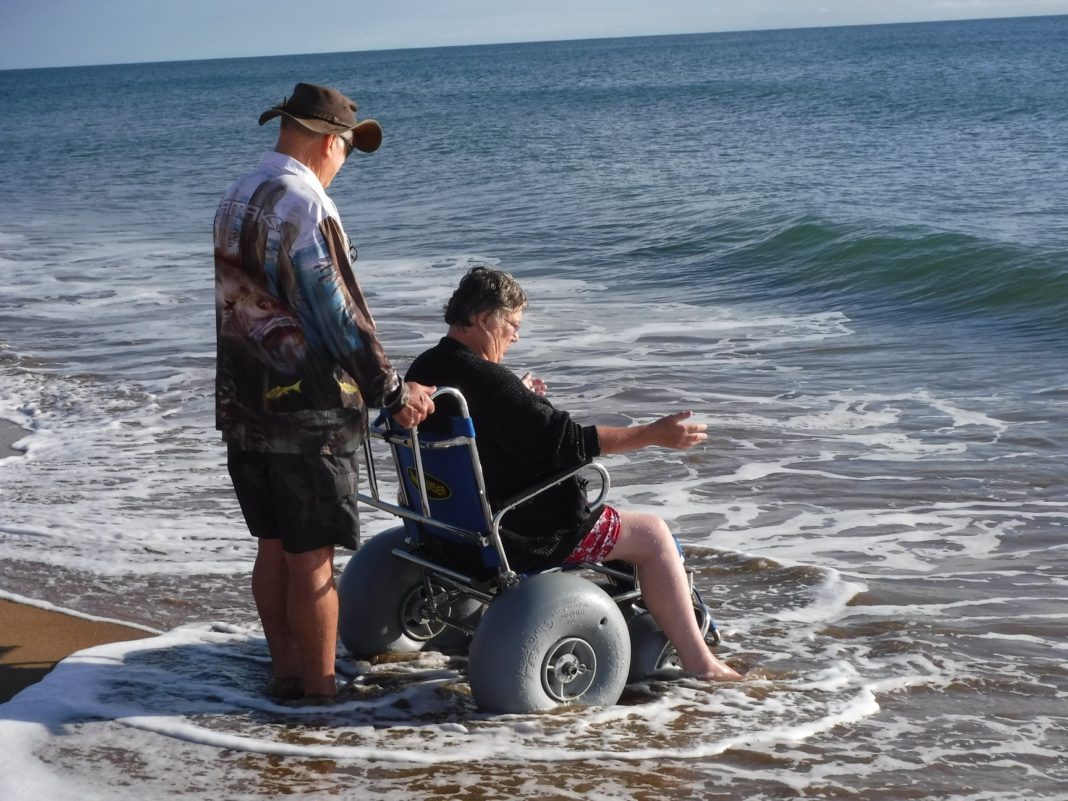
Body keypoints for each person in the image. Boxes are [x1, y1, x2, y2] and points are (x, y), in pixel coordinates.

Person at [406, 267, 741, 680]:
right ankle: (702, 663)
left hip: (445, 529)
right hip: (518, 534)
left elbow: (494, 421)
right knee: (654, 535)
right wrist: (655, 434)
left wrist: (519, 396)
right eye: (511, 324)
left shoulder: (426, 368)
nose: (516, 336)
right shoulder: (491, 382)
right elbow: (571, 444)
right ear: (481, 318)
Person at [214, 82, 436, 701]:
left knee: (273, 546)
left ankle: (286, 672)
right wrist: (391, 392)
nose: (344, 162)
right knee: (312, 559)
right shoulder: (305, 206)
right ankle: (320, 696)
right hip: (305, 412)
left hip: (242, 404)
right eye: (346, 147)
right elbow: (340, 314)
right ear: (328, 141)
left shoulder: (236, 195)